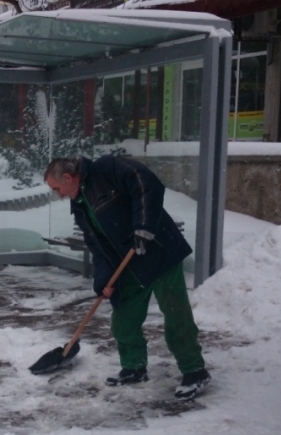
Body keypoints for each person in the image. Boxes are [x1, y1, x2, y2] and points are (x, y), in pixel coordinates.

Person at [44, 156, 211, 401]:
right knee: (123, 321)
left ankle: (195, 371)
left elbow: (146, 184)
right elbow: (98, 248)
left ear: (68, 178)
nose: (58, 195)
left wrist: (143, 226)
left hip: (158, 252)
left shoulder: (107, 169)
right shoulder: (80, 206)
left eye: (56, 188)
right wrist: (103, 280)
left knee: (176, 315)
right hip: (129, 266)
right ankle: (134, 367)